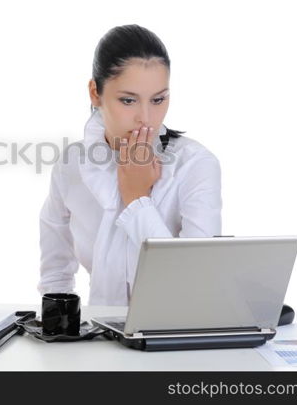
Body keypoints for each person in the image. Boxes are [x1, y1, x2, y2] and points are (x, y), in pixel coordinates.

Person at [38, 24, 222, 306]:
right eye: (128, 100)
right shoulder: (71, 166)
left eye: (158, 99)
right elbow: (55, 274)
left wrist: (137, 199)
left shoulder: (195, 166)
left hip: (173, 339)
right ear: (95, 93)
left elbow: (192, 285)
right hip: (97, 339)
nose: (146, 118)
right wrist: (63, 331)